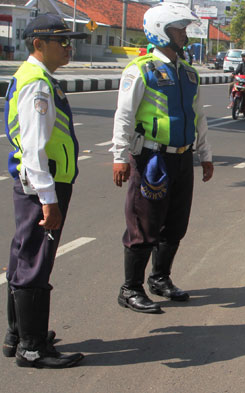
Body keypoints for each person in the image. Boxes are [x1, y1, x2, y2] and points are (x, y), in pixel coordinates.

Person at [111, 2, 214, 314]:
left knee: (175, 223)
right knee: (144, 224)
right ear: (160, 31)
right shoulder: (140, 70)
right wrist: (119, 156)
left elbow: (199, 118)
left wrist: (205, 154)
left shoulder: (189, 74)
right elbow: (124, 116)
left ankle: (160, 278)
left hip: (183, 159)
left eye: (184, 29)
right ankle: (130, 289)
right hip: (151, 158)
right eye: (178, 29)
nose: (184, 35)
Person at [2, 13, 87, 368]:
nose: (69, 47)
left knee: (23, 256)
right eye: (62, 41)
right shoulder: (37, 83)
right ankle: (32, 348)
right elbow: (36, 146)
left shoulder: (35, 77)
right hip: (43, 185)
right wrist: (49, 199)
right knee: (36, 263)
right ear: (39, 44)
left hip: (37, 184)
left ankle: (18, 334)